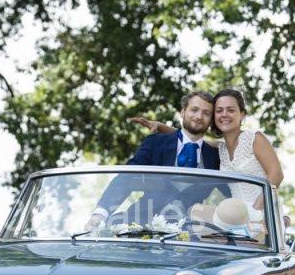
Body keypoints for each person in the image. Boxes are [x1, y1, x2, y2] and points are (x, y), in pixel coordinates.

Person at [84, 90, 221, 231]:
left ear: (211, 120)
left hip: (191, 234)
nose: (199, 116)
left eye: (206, 113)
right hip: (139, 225)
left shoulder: (216, 157)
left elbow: (235, 192)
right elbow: (127, 177)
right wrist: (100, 214)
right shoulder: (155, 143)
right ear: (183, 112)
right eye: (194, 110)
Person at [136, 88, 284, 209]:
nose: (224, 114)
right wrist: (161, 126)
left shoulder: (255, 138)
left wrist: (255, 213)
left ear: (242, 115)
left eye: (231, 110)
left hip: (264, 213)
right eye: (219, 110)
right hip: (238, 217)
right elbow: (190, 138)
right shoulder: (220, 148)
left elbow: (276, 175)